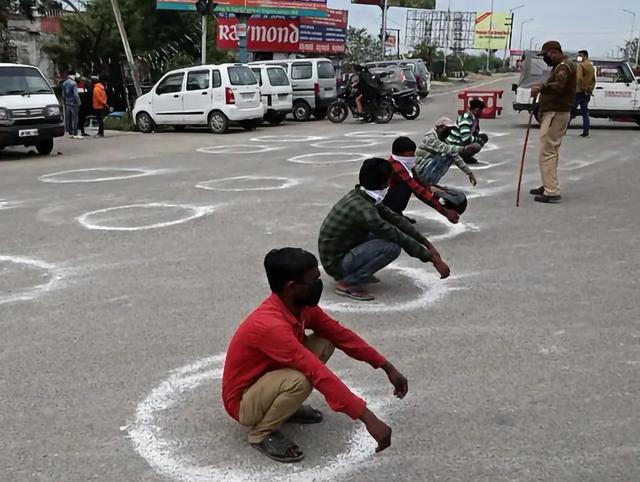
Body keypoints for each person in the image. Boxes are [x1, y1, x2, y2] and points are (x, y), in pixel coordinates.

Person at [222, 247, 409, 463]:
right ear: (292, 287)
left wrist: (386, 366)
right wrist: (368, 418)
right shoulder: (270, 326)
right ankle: (262, 433)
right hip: (243, 403)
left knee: (326, 340)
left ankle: (284, 408)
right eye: (313, 280)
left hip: (266, 381)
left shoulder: (300, 307)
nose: (319, 284)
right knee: (300, 380)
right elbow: (316, 371)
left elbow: (341, 335)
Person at [318, 157, 450, 302]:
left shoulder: (363, 195)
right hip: (335, 263)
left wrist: (426, 243)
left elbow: (395, 219)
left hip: (341, 249)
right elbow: (396, 235)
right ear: (385, 183)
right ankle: (347, 282)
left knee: (385, 234)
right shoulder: (365, 210)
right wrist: (432, 259)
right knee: (391, 247)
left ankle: (356, 271)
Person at [529, 40, 577, 204]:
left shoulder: (563, 66)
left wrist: (541, 88)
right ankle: (548, 184)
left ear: (553, 52)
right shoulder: (563, 65)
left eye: (546, 55)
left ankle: (551, 191)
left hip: (556, 113)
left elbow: (558, 86)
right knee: (551, 151)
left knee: (547, 151)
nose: (545, 59)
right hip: (558, 112)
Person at [383, 136, 460, 224]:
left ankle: (396, 213)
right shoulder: (396, 168)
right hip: (382, 201)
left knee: (409, 185)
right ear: (399, 154)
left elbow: (418, 181)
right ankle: (391, 215)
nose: (413, 157)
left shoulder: (404, 162)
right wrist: (445, 212)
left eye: (413, 154)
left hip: (388, 197)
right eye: (410, 154)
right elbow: (418, 190)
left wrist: (435, 191)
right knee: (405, 187)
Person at [414, 117, 480, 188]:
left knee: (450, 156)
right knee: (444, 157)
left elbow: (456, 157)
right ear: (440, 127)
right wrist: (464, 149)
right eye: (447, 129)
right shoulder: (430, 138)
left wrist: (469, 173)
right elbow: (444, 148)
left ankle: (430, 183)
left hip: (426, 168)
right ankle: (425, 182)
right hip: (419, 170)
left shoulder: (444, 140)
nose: (449, 131)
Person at [446, 98, 489, 164]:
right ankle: (460, 157)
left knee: (484, 137)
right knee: (476, 145)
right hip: (455, 143)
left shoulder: (475, 119)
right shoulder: (466, 118)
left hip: (461, 141)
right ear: (476, 110)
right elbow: (466, 138)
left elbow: (474, 134)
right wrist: (478, 140)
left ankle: (466, 156)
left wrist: (479, 139)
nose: (482, 112)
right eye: (481, 110)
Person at [571, 50, 596, 138]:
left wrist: (583, 88)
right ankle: (586, 131)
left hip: (579, 91)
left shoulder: (580, 65)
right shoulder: (591, 66)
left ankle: (562, 129)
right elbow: (593, 80)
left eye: (580, 55)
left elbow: (579, 79)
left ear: (585, 56)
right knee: (585, 112)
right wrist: (589, 89)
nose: (579, 57)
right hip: (587, 92)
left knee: (570, 110)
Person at [62, 71, 81, 139]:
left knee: (68, 118)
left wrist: (65, 102)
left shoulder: (64, 83)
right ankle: (75, 132)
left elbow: (63, 95)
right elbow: (76, 94)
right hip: (74, 103)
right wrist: (79, 102)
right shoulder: (74, 83)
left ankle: (69, 132)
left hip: (67, 103)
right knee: (75, 118)